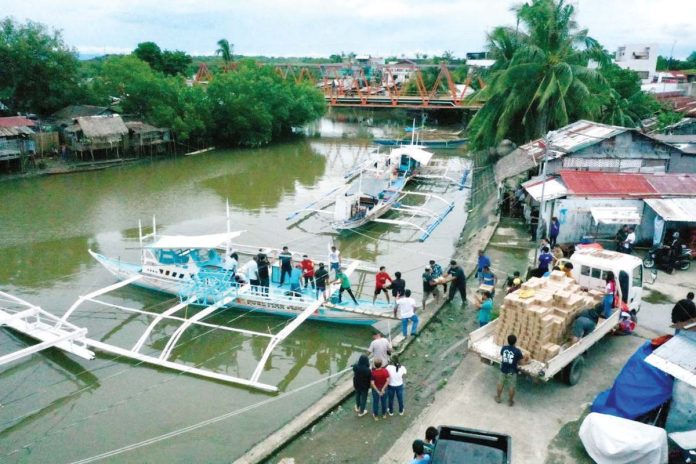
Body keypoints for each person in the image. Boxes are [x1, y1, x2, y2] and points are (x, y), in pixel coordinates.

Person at [495, 334, 528, 407]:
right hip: (512, 372)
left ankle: (498, 398)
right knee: (511, 387)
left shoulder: (504, 348)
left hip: (503, 369)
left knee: (500, 384)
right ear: (515, 342)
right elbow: (520, 362)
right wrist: (527, 361)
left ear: (508, 341)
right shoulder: (517, 351)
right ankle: (510, 401)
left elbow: (502, 355)